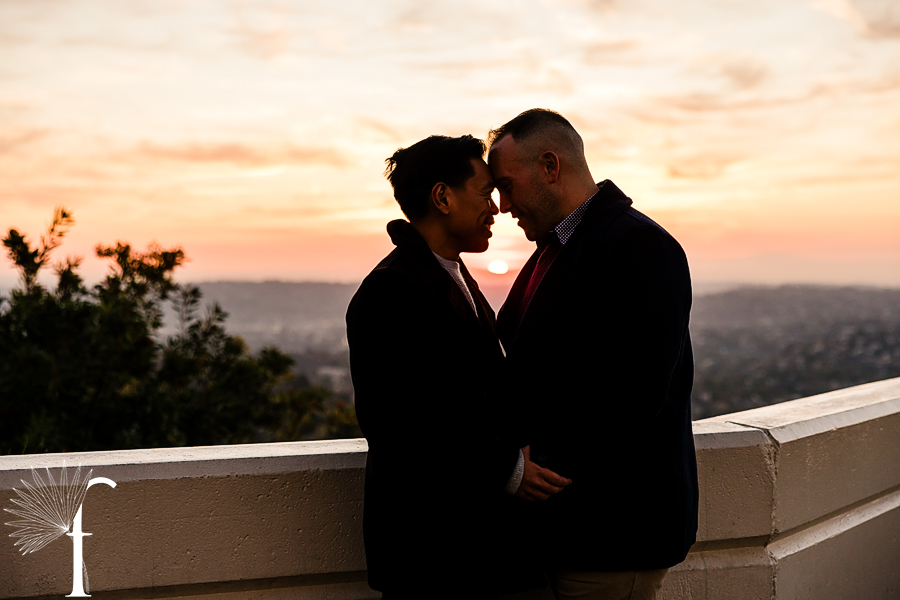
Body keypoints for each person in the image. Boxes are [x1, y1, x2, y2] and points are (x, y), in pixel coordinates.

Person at [345, 134, 570, 599]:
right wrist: (510, 472)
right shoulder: (391, 293)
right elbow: (403, 425)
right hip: (436, 561)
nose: (498, 207)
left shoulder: (451, 274)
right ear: (442, 197)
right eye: (485, 191)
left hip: (477, 554)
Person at [487, 109, 698, 600]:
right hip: (566, 529)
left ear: (550, 166)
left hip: (612, 531)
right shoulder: (558, 245)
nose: (501, 204)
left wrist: (528, 467)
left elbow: (634, 397)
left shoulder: (639, 246)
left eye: (506, 184)